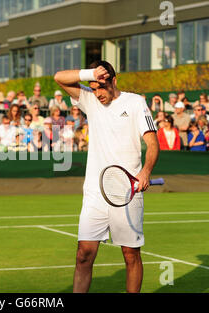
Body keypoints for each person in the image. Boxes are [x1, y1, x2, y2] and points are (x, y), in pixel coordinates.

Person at [54, 60, 159, 293]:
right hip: (94, 194)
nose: (98, 93)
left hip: (127, 193)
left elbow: (153, 144)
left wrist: (145, 172)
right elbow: (59, 77)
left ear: (114, 80)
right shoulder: (90, 100)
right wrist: (91, 74)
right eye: (94, 88)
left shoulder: (135, 102)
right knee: (83, 255)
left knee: (130, 255)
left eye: (102, 87)